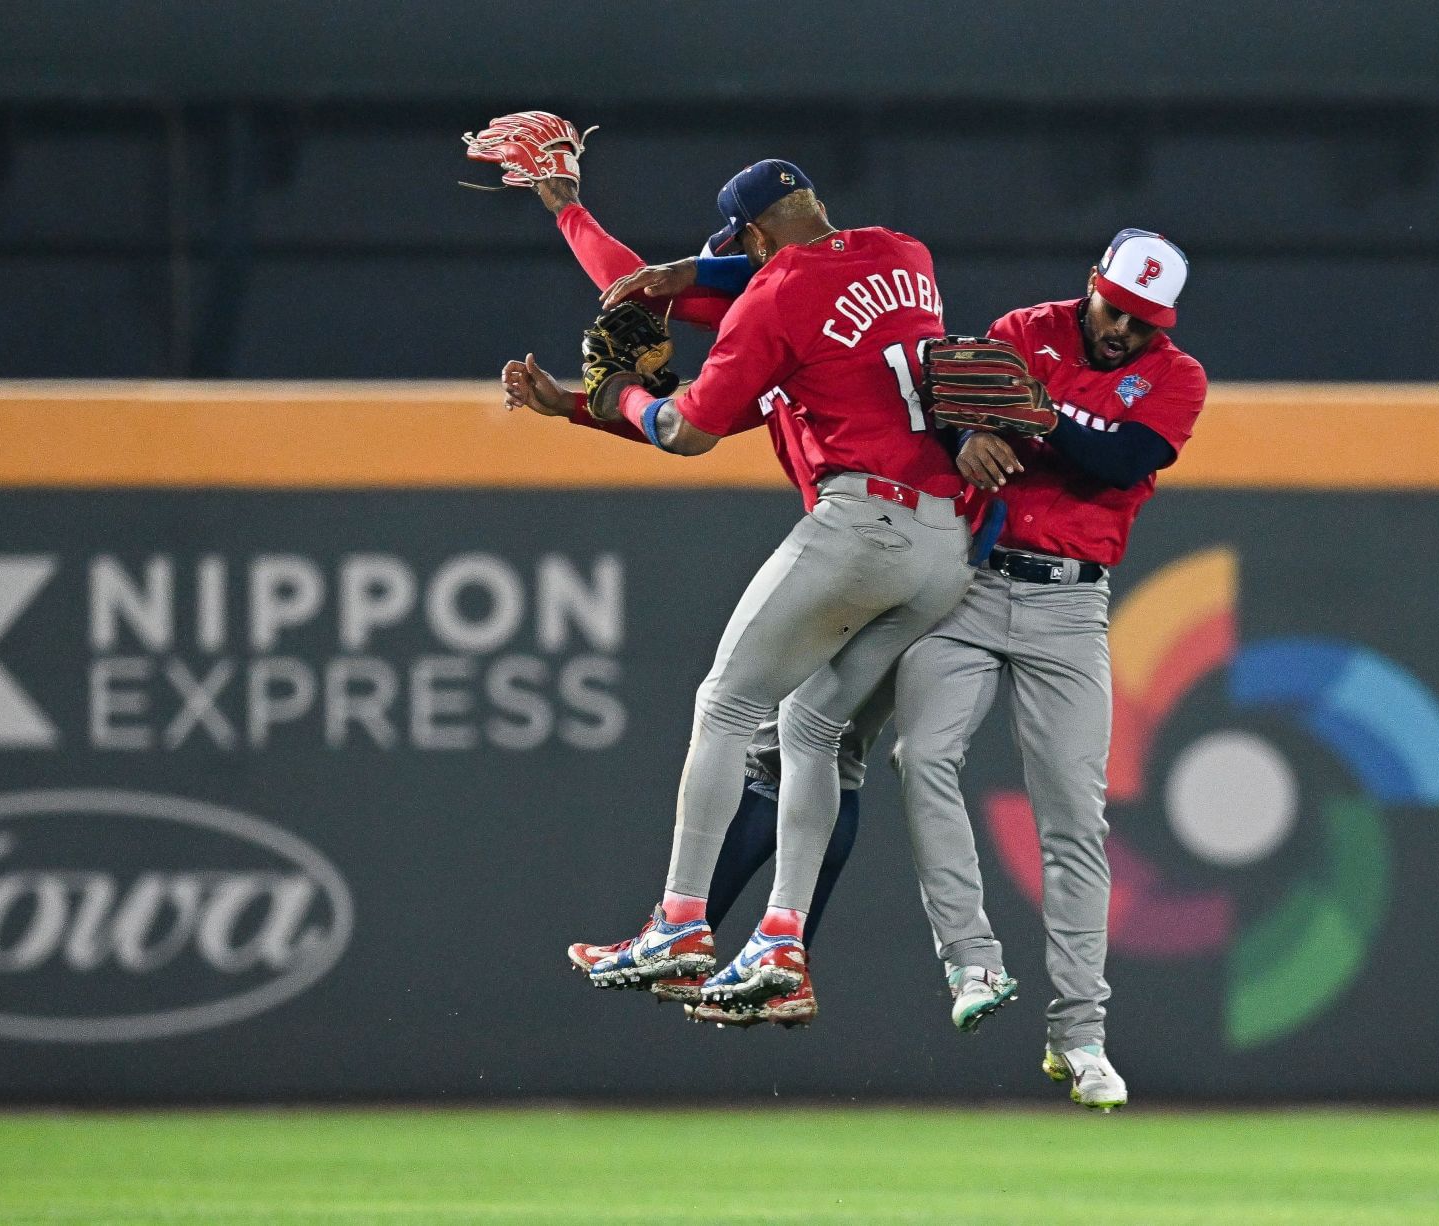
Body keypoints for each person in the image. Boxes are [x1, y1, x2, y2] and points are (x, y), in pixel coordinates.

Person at [605, 229, 1208, 1112]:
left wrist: (1033, 415)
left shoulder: (1176, 376)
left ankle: (1079, 1035)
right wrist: (971, 433)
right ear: (1093, 285)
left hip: (1071, 604)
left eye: (1143, 321)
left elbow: (1121, 457)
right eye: (1116, 309)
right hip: (971, 579)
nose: (1123, 331)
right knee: (916, 759)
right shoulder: (1022, 327)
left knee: (1075, 818)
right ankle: (969, 962)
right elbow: (941, 402)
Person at [487, 138, 976, 1014]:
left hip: (863, 523)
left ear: (748, 238)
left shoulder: (774, 305)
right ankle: (782, 945)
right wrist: (575, 221)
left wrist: (618, 398)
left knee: (726, 705)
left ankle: (679, 922)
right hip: (946, 550)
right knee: (812, 731)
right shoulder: (904, 255)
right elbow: (654, 287)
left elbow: (685, 429)